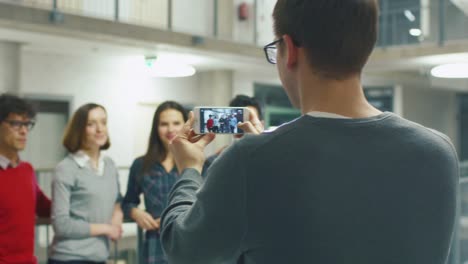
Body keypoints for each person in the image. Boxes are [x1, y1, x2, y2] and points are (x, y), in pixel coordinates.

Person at [160, 0, 460, 263]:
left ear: (289, 51)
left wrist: (190, 168)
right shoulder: (437, 153)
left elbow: (183, 249)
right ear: (366, 48)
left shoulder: (249, 161)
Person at [48, 103, 123, 264]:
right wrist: (107, 229)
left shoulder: (110, 165)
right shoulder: (66, 168)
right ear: (79, 130)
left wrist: (117, 215)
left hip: (100, 256)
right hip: (69, 257)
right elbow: (61, 225)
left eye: (103, 122)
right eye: (91, 124)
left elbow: (117, 199)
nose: (100, 129)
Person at [122, 101, 188, 264]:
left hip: (189, 242)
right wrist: (136, 213)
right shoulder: (141, 165)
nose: (170, 129)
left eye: (176, 123)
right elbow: (128, 202)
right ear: (156, 128)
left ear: (186, 125)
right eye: (164, 124)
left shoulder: (196, 163)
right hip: (154, 244)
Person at [0, 94, 51, 264]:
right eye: (15, 124)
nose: (24, 131)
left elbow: (45, 208)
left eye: (27, 124)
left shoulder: (26, 170)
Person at [204, 94, 264, 168]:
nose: (246, 126)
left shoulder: (271, 158)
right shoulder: (215, 162)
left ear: (261, 125)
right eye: (240, 121)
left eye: (250, 120)